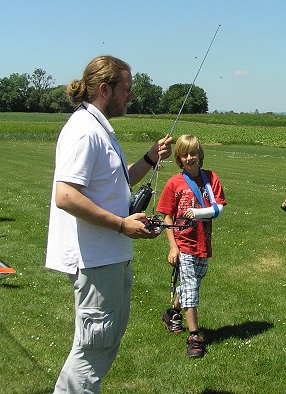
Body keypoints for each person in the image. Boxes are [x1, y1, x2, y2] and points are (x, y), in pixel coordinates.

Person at [46, 55, 172, 394]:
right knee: (91, 354)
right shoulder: (84, 131)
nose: (131, 96)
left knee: (99, 347)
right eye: (126, 89)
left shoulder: (99, 128)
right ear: (105, 89)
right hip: (96, 260)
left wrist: (149, 158)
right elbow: (66, 195)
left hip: (108, 258)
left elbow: (115, 186)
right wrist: (120, 224)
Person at [156, 134, 227, 358]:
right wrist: (173, 247)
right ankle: (194, 336)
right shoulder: (174, 183)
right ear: (178, 158)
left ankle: (172, 312)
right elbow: (167, 217)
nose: (190, 158)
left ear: (200, 154)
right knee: (191, 287)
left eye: (193, 153)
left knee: (194, 281)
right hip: (184, 243)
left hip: (203, 242)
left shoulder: (211, 178)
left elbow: (219, 208)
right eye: (185, 154)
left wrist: (198, 213)